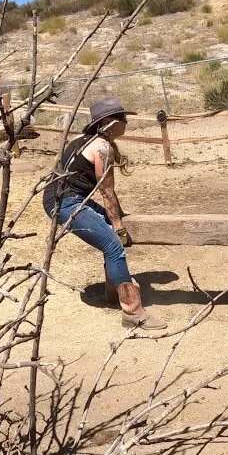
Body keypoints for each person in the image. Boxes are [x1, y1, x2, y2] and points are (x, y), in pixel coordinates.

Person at [43, 97, 166, 330]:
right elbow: (107, 191)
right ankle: (133, 312)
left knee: (108, 235)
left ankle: (112, 292)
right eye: (122, 118)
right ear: (109, 122)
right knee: (113, 245)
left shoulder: (83, 141)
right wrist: (119, 226)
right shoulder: (102, 147)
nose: (126, 123)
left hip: (63, 198)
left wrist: (116, 219)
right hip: (67, 202)